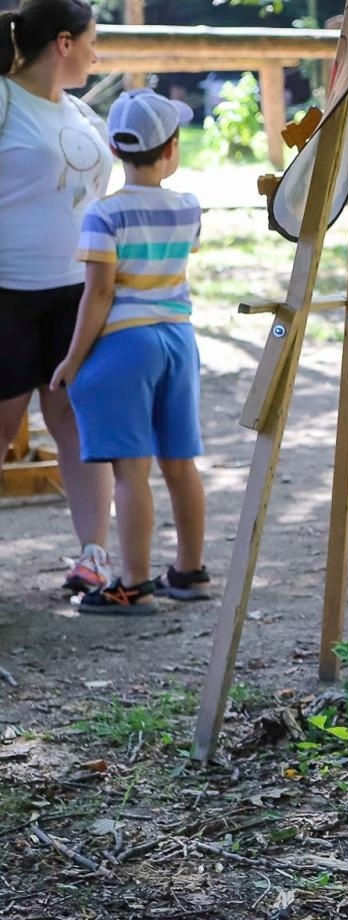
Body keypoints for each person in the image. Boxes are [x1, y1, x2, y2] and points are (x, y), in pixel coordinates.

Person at [50, 88, 209, 615]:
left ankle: (134, 583)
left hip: (126, 343)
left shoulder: (105, 215)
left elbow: (98, 293)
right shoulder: (188, 208)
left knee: (131, 471)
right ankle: (188, 571)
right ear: (171, 149)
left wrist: (73, 360)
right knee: (180, 463)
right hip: (178, 340)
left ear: (115, 151)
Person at [0, 0, 115, 593]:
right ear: (64, 43)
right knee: (5, 421)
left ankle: (94, 555)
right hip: (8, 295)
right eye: (93, 41)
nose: (99, 54)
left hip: (77, 292)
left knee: (76, 416)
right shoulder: (4, 100)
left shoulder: (79, 112)